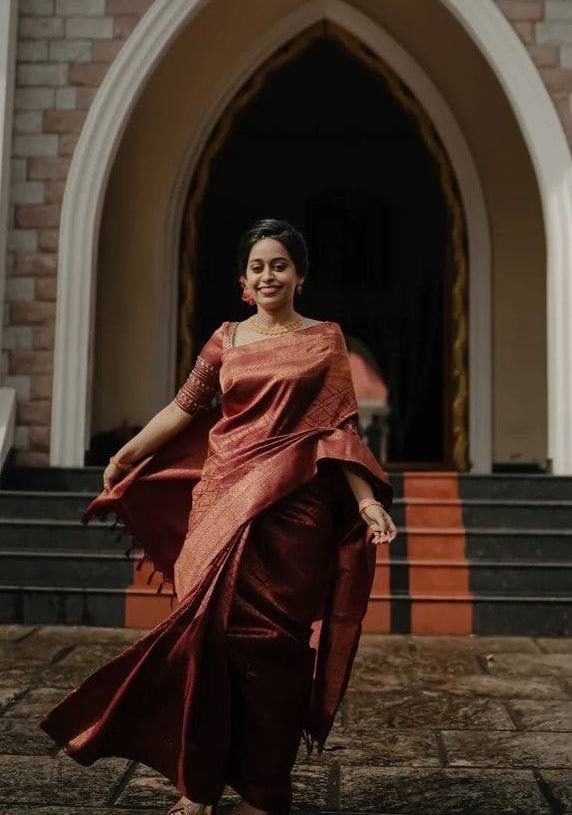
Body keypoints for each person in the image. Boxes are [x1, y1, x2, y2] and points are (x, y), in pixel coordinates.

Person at [39, 218, 397, 815]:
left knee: (276, 652)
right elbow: (185, 408)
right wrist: (128, 453)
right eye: (257, 266)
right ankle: (197, 784)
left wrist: (364, 500)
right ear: (242, 280)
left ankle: (264, 789)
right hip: (222, 503)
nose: (268, 275)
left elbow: (340, 431)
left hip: (294, 518)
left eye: (279, 264)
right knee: (204, 638)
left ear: (299, 276)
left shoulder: (326, 341)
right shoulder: (227, 340)